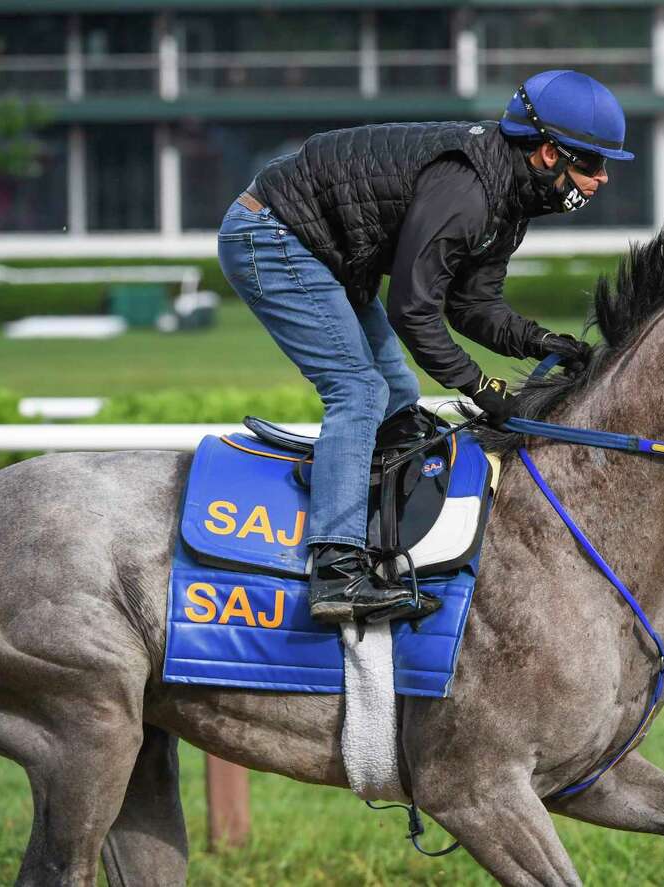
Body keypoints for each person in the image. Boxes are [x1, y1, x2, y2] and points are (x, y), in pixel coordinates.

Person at [216, 70, 634, 625]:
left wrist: (542, 342)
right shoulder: (468, 192)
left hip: (327, 251)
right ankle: (336, 571)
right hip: (271, 234)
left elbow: (469, 305)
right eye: (591, 163)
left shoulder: (509, 198)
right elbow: (412, 310)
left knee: (399, 396)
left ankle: (382, 540)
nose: (601, 179)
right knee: (361, 392)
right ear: (548, 154)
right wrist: (481, 388)